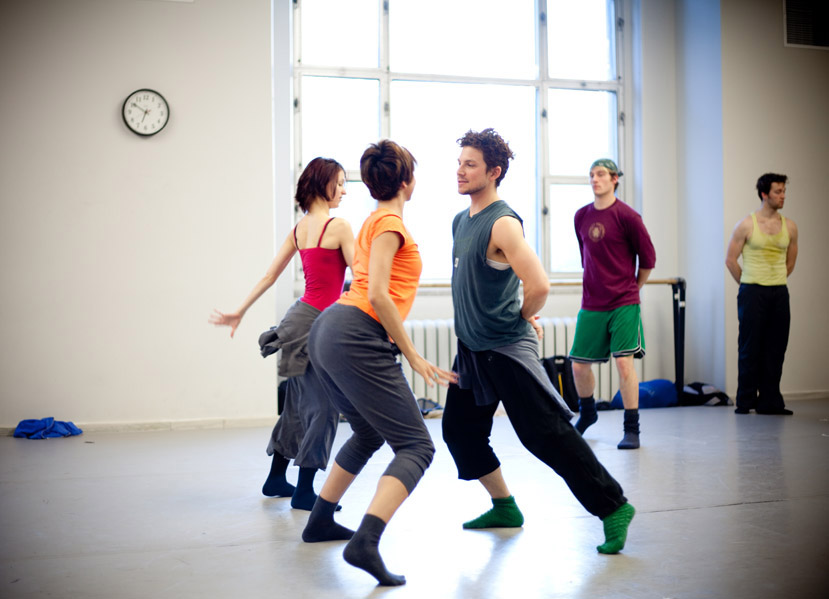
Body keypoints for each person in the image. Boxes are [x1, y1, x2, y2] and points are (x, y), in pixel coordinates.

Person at [441, 128, 635, 555]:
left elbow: (540, 284)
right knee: (459, 430)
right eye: (459, 163)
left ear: (494, 172)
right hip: (472, 349)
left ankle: (614, 507)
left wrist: (523, 315)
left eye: (470, 164)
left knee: (546, 435)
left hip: (505, 349)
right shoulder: (461, 221)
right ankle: (504, 506)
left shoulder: (503, 223)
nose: (460, 171)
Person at [301, 140, 457, 586]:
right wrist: (413, 355)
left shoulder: (373, 220)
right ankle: (365, 542)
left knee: (368, 433)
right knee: (417, 446)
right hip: (354, 330)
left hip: (330, 329)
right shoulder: (389, 224)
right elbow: (377, 295)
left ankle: (320, 520)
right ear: (407, 181)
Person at [209, 157, 354, 510]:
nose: (344, 190)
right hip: (318, 325)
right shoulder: (338, 227)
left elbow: (269, 276)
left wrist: (240, 311)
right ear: (323, 184)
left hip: (297, 321)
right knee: (324, 408)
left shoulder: (299, 229)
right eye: (339, 183)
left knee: (296, 405)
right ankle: (305, 491)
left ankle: (276, 478)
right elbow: (362, 274)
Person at [569, 158, 656, 450]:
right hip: (592, 302)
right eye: (591, 175)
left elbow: (648, 260)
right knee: (578, 366)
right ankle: (588, 412)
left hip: (623, 302)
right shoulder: (581, 216)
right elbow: (586, 258)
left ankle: (632, 429)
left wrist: (633, 288)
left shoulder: (628, 216)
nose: (595, 179)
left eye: (601, 174)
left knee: (623, 363)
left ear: (615, 179)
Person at [725, 173, 798, 415]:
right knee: (750, 347)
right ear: (764, 194)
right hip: (752, 292)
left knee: (776, 348)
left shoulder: (790, 226)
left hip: (779, 292)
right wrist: (748, 283)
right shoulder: (746, 225)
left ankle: (770, 402)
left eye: (784, 191)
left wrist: (774, 280)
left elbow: (790, 262)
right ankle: (745, 401)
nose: (783, 196)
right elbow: (730, 260)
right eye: (778, 191)